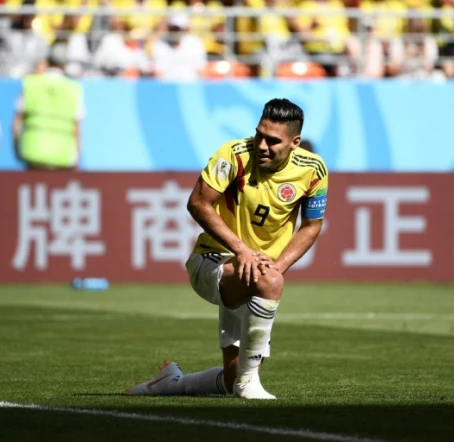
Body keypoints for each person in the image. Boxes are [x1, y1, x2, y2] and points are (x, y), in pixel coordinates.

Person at [126, 99, 329, 399]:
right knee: (269, 282)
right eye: (260, 134)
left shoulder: (313, 170)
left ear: (295, 143)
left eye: (273, 141)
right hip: (211, 260)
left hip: (253, 272)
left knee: (230, 378)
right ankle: (250, 382)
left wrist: (277, 265)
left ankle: (170, 383)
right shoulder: (233, 154)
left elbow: (311, 226)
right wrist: (243, 250)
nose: (262, 145)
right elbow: (197, 203)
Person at [12, 43, 85, 170]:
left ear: (48, 61)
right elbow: (77, 129)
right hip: (63, 157)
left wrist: (17, 149)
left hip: (33, 153)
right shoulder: (74, 89)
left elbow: (16, 124)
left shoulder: (31, 84)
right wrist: (77, 157)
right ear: (64, 64)